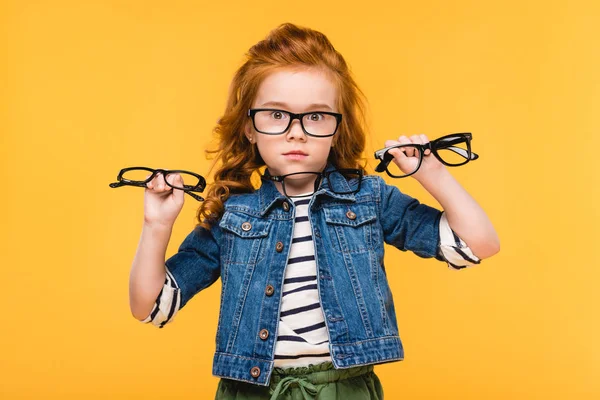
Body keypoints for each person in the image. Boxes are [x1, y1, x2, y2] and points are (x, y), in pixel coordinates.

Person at [128, 22, 500, 400]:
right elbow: (150, 306)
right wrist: (156, 224)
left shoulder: (368, 199)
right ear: (249, 128)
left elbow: (478, 244)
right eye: (276, 115)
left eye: (317, 116)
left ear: (337, 129)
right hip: (251, 391)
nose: (296, 132)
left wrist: (431, 172)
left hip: (345, 390)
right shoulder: (233, 215)